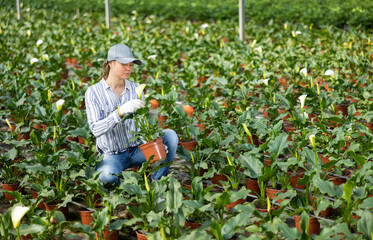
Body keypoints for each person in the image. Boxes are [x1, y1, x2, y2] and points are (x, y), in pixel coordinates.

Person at [85, 43, 179, 184]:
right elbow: (96, 130)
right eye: (124, 64)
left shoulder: (135, 89)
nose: (129, 68)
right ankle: (124, 192)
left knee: (170, 136)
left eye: (131, 65)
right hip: (112, 155)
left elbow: (140, 124)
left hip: (137, 151)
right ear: (110, 63)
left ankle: (156, 182)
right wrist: (120, 112)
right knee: (107, 178)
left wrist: (154, 142)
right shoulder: (93, 92)